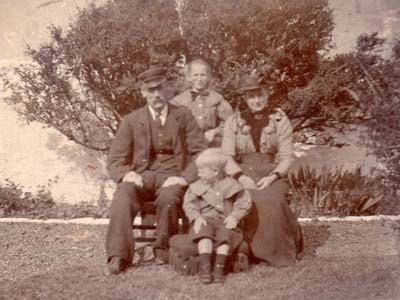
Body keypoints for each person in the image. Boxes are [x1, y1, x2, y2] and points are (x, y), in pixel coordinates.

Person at [105, 66, 206, 275]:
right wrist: (126, 174)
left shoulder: (183, 115)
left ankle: (162, 249)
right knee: (123, 194)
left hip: (173, 176)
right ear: (143, 92)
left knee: (169, 198)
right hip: (142, 175)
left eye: (160, 88)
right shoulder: (132, 120)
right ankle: (118, 255)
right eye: (151, 90)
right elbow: (115, 159)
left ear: (167, 88)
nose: (157, 94)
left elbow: (200, 153)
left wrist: (184, 178)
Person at [221, 73, 303, 267]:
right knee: (245, 198)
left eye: (260, 95)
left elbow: (286, 156)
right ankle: (246, 249)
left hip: (271, 172)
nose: (256, 100)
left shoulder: (279, 119)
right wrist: (240, 177)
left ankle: (277, 252)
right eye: (251, 96)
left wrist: (272, 177)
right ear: (244, 98)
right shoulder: (233, 121)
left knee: (273, 200)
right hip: (242, 172)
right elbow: (226, 157)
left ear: (267, 95)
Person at [183, 148, 251, 284]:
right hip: (205, 219)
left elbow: (244, 203)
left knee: (225, 236)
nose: (198, 174)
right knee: (203, 233)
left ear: (215, 171)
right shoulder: (196, 186)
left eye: (202, 171)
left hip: (224, 220)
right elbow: (188, 204)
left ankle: (219, 267)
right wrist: (196, 217)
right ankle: (205, 267)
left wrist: (234, 217)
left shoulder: (233, 185)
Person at [170, 59, 233, 146]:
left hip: (212, 145)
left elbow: (230, 122)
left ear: (208, 77)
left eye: (203, 75)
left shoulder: (217, 99)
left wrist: (215, 131)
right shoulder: (178, 101)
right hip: (187, 145)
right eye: (195, 75)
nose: (199, 79)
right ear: (189, 77)